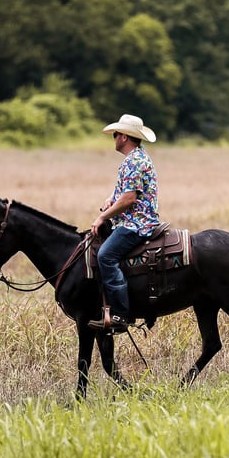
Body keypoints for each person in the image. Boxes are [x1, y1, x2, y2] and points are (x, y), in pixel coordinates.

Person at [88, 114, 160, 333]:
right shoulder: (137, 157)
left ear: (125, 137)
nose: (114, 138)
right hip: (134, 220)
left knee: (105, 256)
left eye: (117, 134)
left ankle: (120, 314)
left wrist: (103, 216)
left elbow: (129, 198)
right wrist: (112, 198)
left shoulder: (134, 161)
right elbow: (125, 190)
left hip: (136, 224)